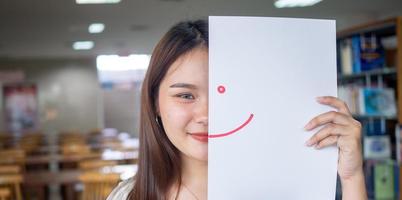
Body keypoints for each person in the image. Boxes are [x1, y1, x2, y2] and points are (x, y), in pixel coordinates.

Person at [107, 19, 367, 200]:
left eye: (225, 94)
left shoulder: (286, 189)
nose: (208, 116)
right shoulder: (127, 196)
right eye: (185, 95)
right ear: (155, 103)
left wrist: (352, 177)